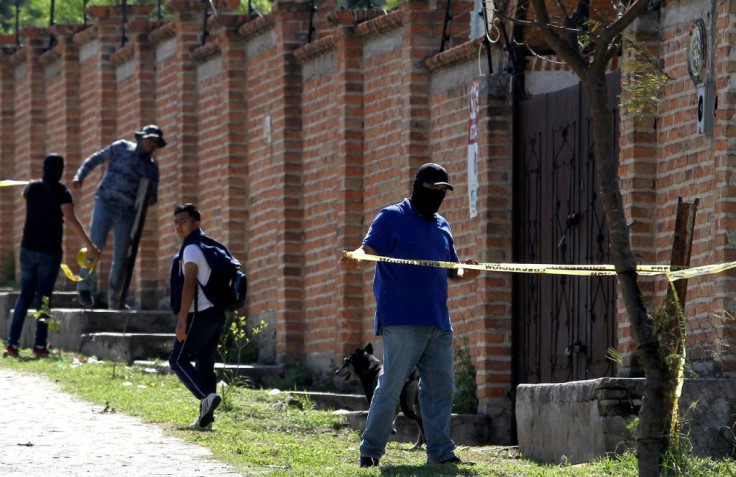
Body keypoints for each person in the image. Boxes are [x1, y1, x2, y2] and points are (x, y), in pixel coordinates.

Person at [340, 163, 480, 467]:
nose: (438, 195)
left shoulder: (442, 226)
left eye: (443, 190)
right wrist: (356, 257)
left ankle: (441, 453)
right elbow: (369, 249)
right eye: (433, 189)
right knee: (391, 384)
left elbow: (451, 269)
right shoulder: (392, 217)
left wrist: (466, 272)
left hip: (438, 320)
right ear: (418, 187)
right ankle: (371, 452)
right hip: (401, 317)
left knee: (440, 388)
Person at [4, 154, 99, 357]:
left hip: (27, 248)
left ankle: (12, 344)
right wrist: (89, 245)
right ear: (61, 170)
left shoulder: (32, 188)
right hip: (50, 251)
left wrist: (34, 183)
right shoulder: (62, 192)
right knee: (44, 298)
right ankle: (39, 346)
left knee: (25, 296)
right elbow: (71, 220)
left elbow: (25, 193)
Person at [72, 124, 165, 309]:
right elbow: (96, 159)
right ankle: (84, 288)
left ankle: (115, 298)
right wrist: (80, 175)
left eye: (155, 142)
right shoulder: (121, 147)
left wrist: (146, 197)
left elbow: (153, 196)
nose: (152, 145)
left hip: (127, 210)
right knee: (94, 245)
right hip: (106, 201)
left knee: (121, 256)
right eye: (150, 140)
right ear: (141, 138)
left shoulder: (152, 168)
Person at [169, 203, 225, 430]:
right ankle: (206, 421)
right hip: (216, 314)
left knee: (177, 360)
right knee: (204, 365)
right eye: (176, 222)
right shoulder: (207, 245)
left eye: (184, 221)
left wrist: (182, 320)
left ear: (196, 223)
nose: (179, 227)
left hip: (199, 314)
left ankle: (206, 396)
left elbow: (189, 285)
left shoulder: (191, 248)